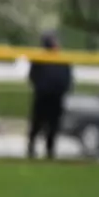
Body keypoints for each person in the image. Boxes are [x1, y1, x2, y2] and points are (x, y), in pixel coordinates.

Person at [28, 31, 72, 160]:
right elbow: (32, 77)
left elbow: (67, 78)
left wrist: (63, 90)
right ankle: (31, 149)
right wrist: (41, 88)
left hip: (56, 97)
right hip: (42, 96)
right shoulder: (40, 59)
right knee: (37, 124)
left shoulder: (62, 60)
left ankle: (50, 150)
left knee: (53, 126)